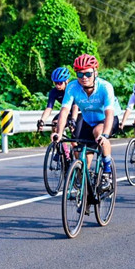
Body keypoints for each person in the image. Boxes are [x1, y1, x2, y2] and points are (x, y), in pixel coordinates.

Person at [51, 54, 117, 196]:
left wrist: (105, 135)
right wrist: (59, 132)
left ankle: (107, 172)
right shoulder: (73, 87)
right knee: (80, 154)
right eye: (80, 73)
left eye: (88, 73)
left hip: (106, 120)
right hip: (88, 122)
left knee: (98, 134)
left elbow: (109, 114)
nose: (84, 77)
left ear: (95, 72)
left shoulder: (105, 87)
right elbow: (64, 111)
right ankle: (86, 190)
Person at [37, 67, 78, 133]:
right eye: (55, 83)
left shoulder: (72, 89)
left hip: (79, 112)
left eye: (60, 83)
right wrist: (42, 120)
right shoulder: (54, 92)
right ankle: (58, 142)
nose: (57, 86)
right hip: (67, 112)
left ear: (66, 81)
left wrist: (73, 119)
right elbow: (49, 108)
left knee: (74, 140)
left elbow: (75, 106)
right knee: (55, 124)